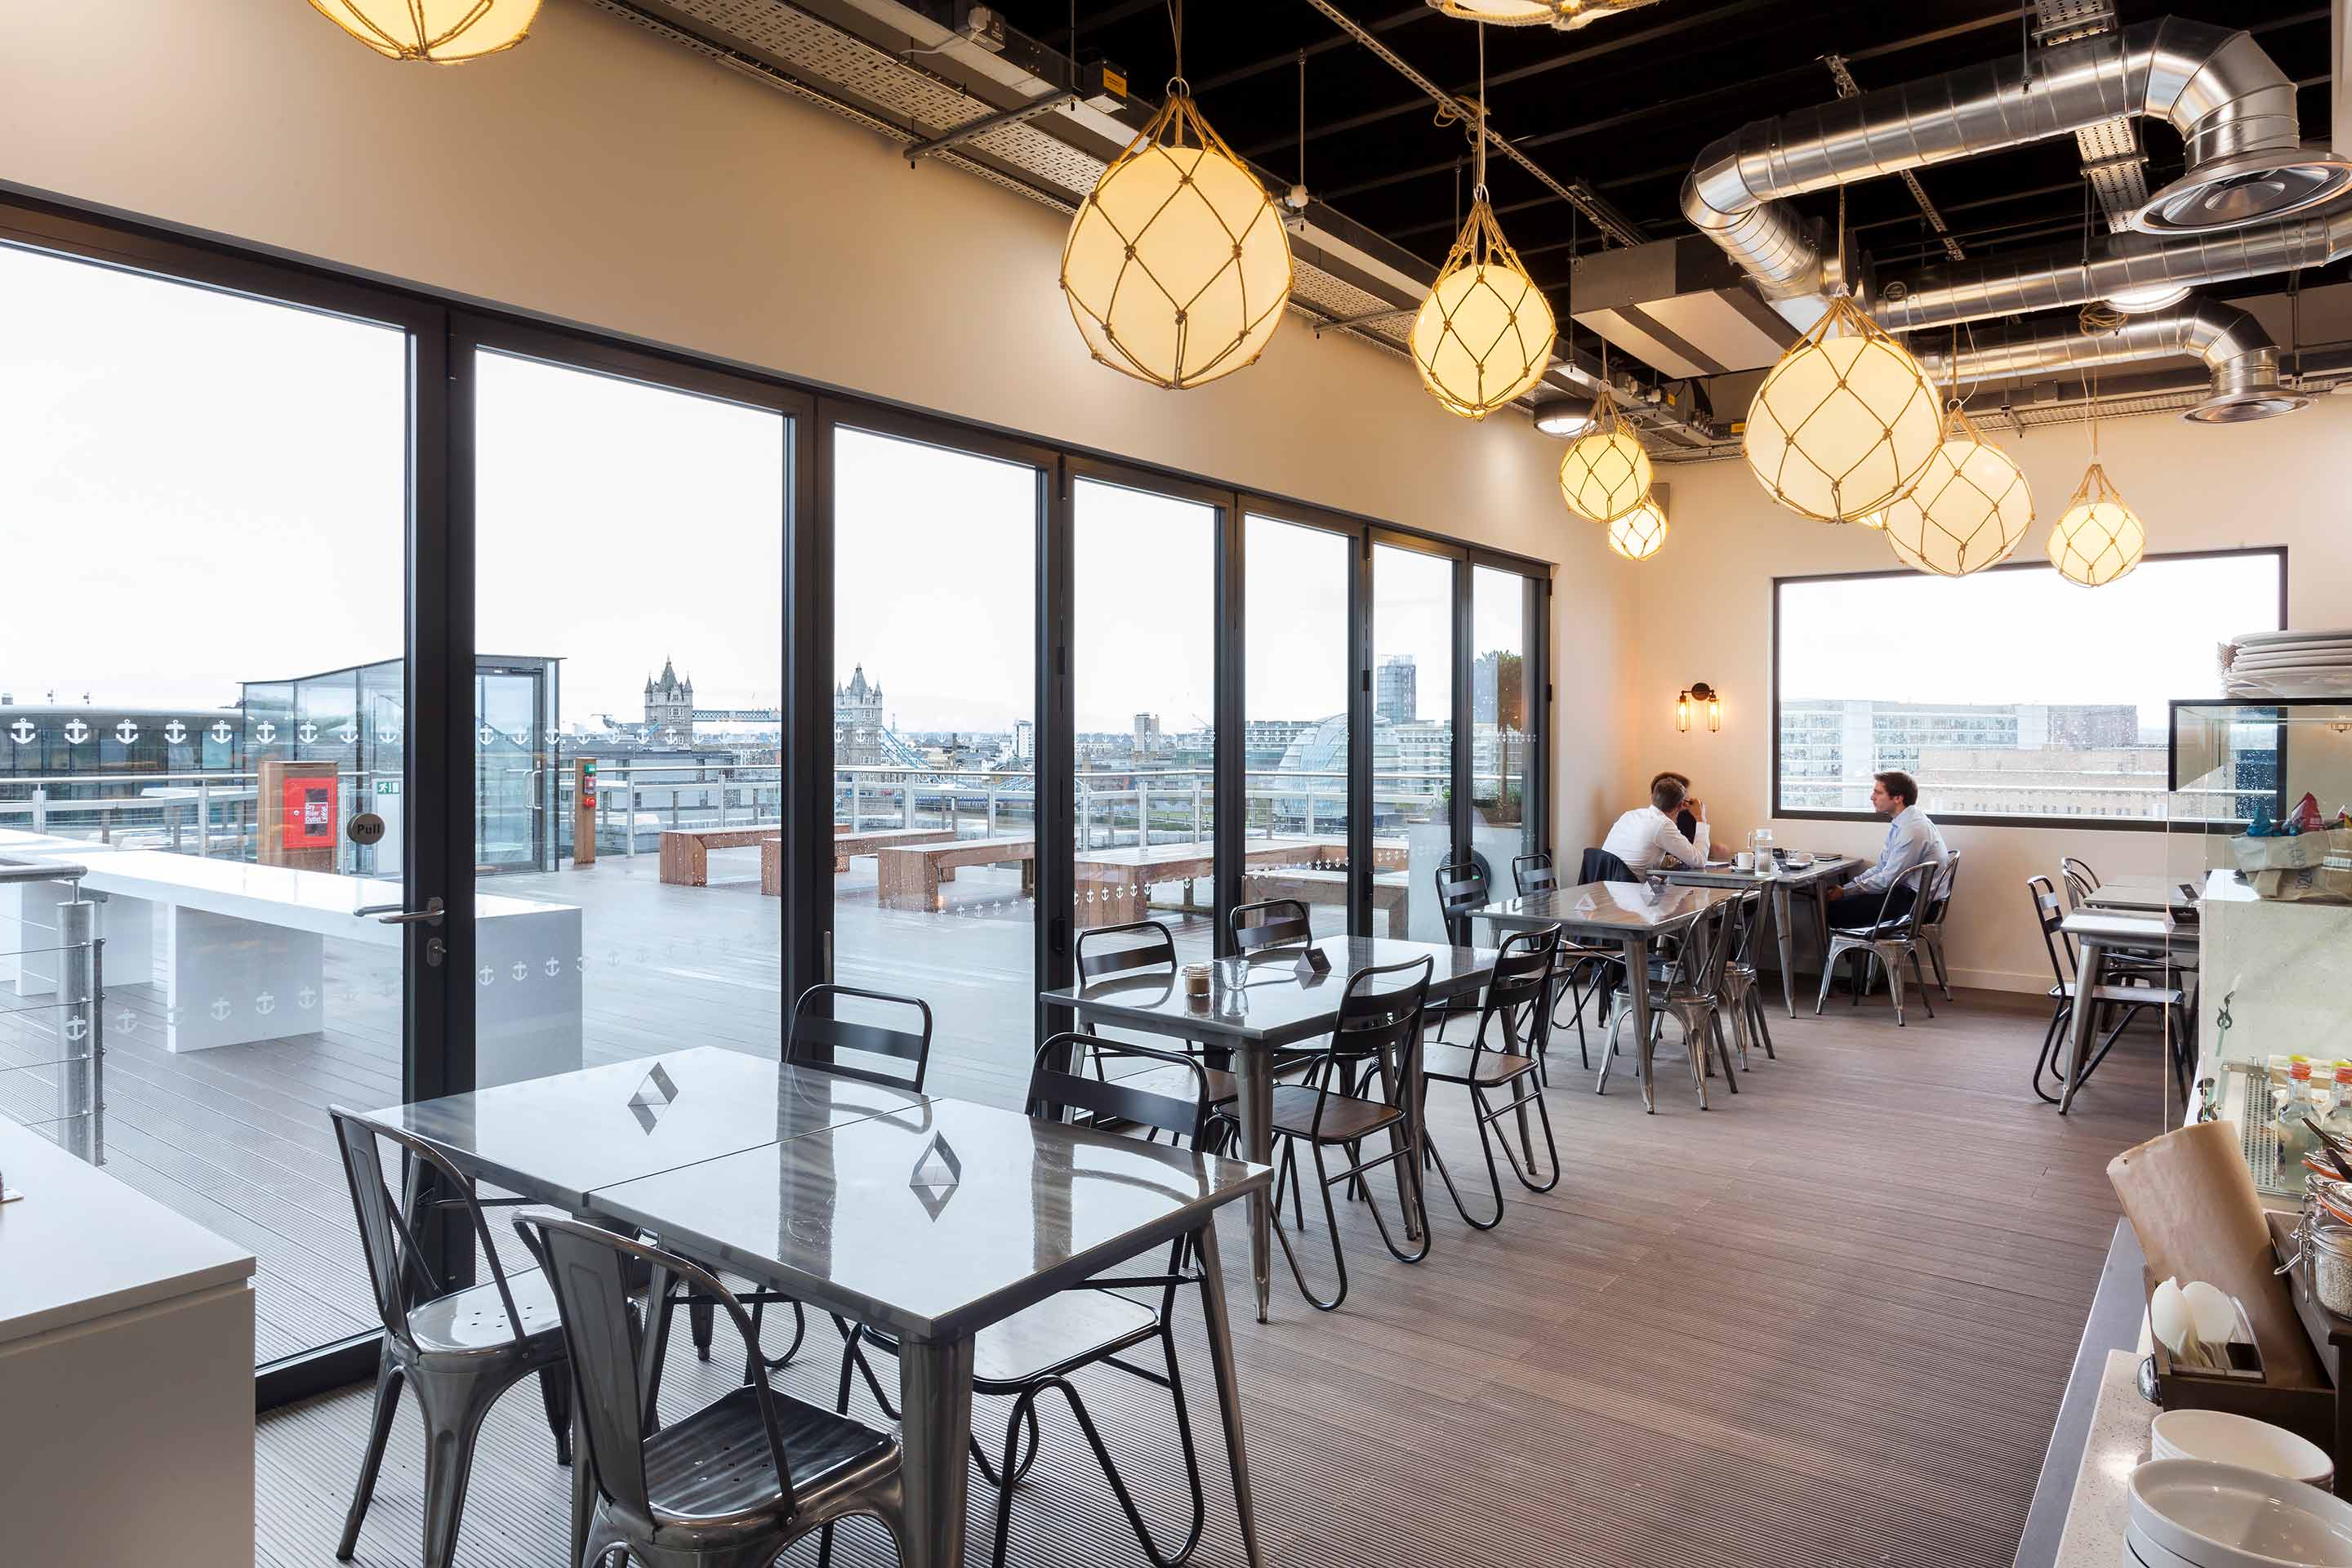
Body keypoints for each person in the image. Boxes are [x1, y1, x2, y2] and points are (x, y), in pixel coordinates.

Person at [1824, 770, 1949, 926]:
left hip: (1917, 906)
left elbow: (1887, 880)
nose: (1872, 797)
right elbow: (1882, 868)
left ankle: (1841, 949)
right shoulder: (1903, 823)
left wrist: (1845, 893)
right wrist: (1845, 888)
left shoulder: (1912, 829)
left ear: (1898, 798)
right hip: (1909, 896)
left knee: (1835, 909)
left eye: (1878, 793)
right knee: (1843, 902)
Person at [1601, 773, 1710, 874]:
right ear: (1681, 805)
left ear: (1652, 797)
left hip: (1604, 887)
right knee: (1687, 892)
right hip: (1633, 889)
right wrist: (1700, 818)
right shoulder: (1663, 824)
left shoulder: (1629, 815)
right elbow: (1700, 862)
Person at [1651, 770, 1701, 845]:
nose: (1688, 798)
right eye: (1684, 793)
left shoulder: (1688, 817)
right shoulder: (1650, 823)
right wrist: (1700, 818)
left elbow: (1695, 851)